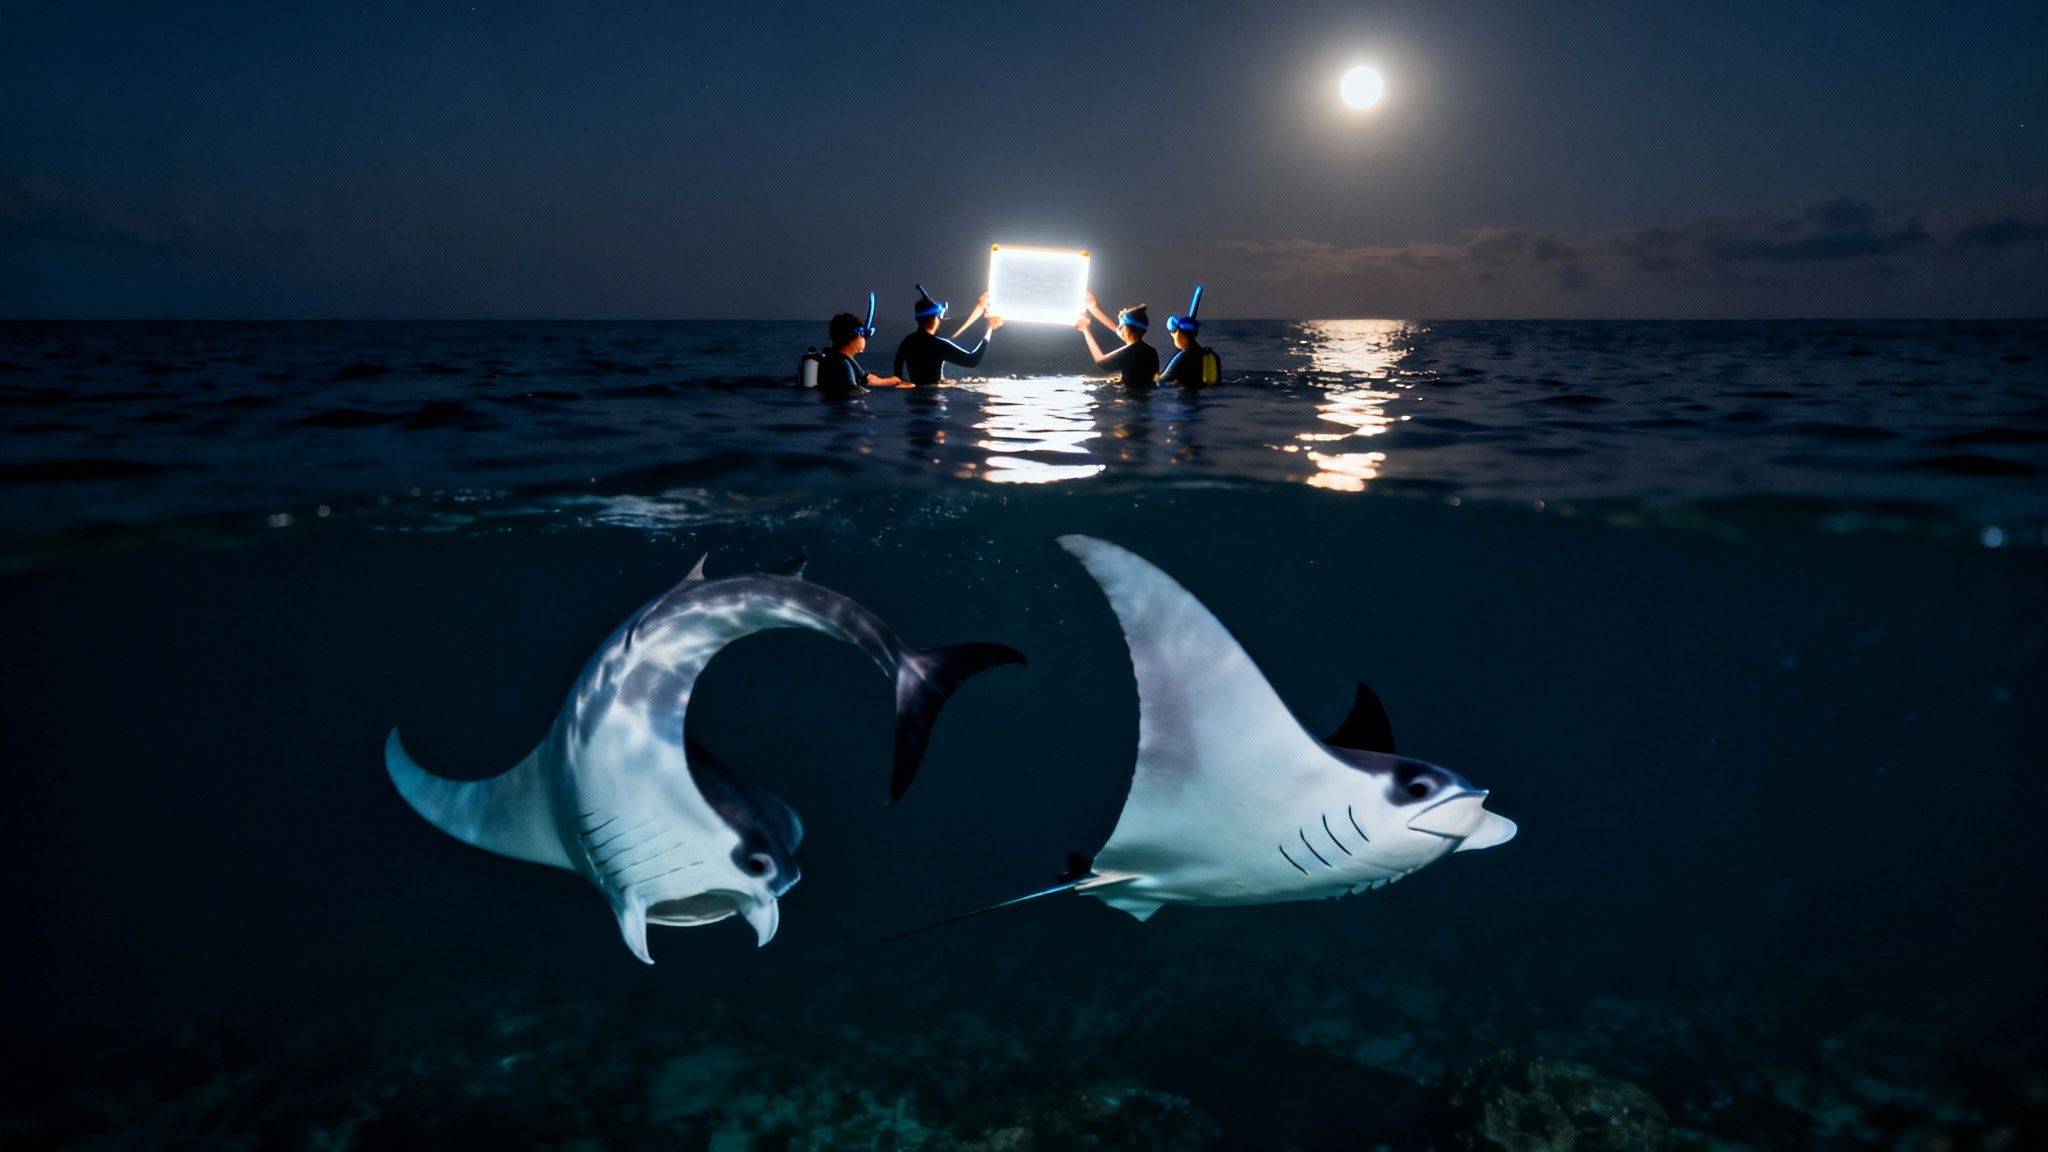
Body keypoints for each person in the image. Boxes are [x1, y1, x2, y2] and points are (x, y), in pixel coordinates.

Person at [893, 285, 1001, 385]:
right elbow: (972, 360)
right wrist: (989, 329)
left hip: (913, 401)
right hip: (934, 400)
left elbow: (897, 375)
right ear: (934, 320)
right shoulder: (937, 345)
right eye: (938, 317)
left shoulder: (907, 342)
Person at [815, 295, 909, 393]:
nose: (866, 340)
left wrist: (895, 381)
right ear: (857, 335)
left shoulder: (831, 358)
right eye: (865, 335)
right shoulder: (842, 364)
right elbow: (852, 391)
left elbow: (867, 379)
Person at [1074, 290, 1160, 388]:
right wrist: (1093, 308)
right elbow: (1120, 332)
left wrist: (1086, 330)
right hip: (1145, 396)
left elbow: (1101, 363)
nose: (1119, 329)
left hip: (1130, 399)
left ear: (1127, 329)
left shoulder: (1131, 351)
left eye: (1121, 326)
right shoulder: (1151, 351)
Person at [1158, 285, 1221, 386]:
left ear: (1180, 334)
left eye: (1173, 333)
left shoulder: (1184, 356)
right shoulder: (1210, 355)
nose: (1173, 336)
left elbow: (1162, 381)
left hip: (1187, 399)